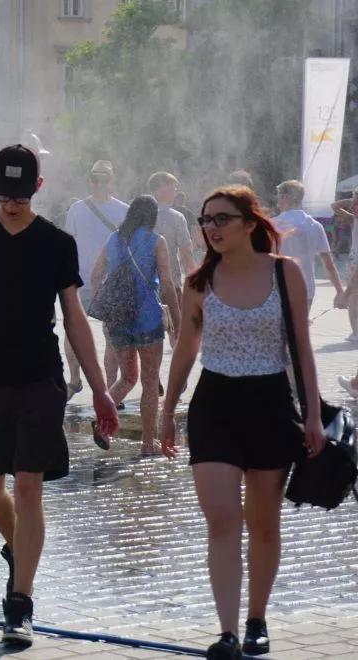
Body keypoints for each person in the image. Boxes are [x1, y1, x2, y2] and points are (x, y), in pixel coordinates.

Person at [0, 145, 119, 648]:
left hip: (41, 380)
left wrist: (100, 389)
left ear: (38, 187)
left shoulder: (56, 243)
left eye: (19, 193)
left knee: (29, 485)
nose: (10, 202)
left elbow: (74, 318)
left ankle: (20, 603)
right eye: (2, 193)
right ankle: (20, 547)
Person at [160, 186, 325, 659]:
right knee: (222, 520)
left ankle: (257, 619)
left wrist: (312, 413)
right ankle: (227, 632)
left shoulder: (283, 272)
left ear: (250, 224)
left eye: (222, 219)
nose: (211, 228)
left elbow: (302, 348)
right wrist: (168, 412)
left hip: (271, 403)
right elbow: (186, 352)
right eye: (205, 219)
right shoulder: (198, 282)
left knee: (263, 524)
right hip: (215, 404)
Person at [88, 195, 181, 455]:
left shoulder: (113, 239)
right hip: (147, 318)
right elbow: (167, 283)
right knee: (150, 381)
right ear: (151, 216)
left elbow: (96, 276)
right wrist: (177, 319)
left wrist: (108, 307)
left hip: (118, 318)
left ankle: (102, 423)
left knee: (127, 378)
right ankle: (147, 444)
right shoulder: (156, 241)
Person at [61, 160, 128, 399]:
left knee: (112, 336)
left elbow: (127, 248)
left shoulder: (123, 210)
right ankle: (75, 379)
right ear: (89, 181)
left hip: (111, 284)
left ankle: (110, 387)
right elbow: (67, 244)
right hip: (80, 282)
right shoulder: (77, 209)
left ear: (111, 182)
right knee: (72, 333)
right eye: (95, 178)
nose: (99, 183)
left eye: (104, 179)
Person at [273, 180, 345, 310]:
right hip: (306, 287)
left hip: (279, 287)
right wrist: (340, 291)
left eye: (278, 196)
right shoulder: (315, 226)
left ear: (285, 197)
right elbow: (329, 265)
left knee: (281, 328)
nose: (277, 200)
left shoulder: (272, 225)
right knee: (301, 328)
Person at [147, 172, 196, 289]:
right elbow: (186, 254)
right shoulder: (176, 218)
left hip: (143, 286)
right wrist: (195, 282)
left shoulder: (137, 216)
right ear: (160, 191)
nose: (175, 194)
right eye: (173, 189)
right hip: (170, 285)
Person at [330, 189, 358, 342]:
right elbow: (334, 206)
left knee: (353, 297)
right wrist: (351, 200)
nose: (354, 206)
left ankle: (356, 333)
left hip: (356, 263)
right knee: (354, 298)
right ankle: (355, 331)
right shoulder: (354, 219)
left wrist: (344, 295)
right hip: (353, 261)